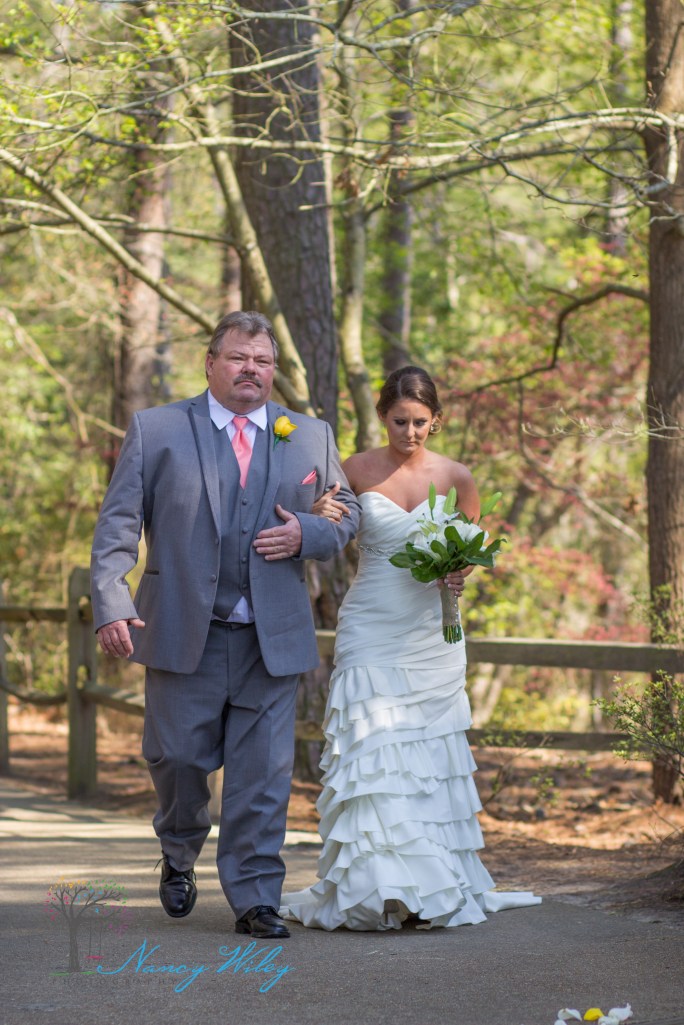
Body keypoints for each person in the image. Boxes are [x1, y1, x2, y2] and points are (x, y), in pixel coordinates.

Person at [90, 310, 360, 939]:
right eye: (239, 358)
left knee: (263, 775)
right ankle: (178, 850)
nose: (251, 370)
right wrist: (112, 600)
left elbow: (345, 513)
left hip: (273, 635)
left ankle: (256, 897)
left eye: (262, 362)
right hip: (185, 628)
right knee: (179, 757)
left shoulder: (308, 435)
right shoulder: (157, 429)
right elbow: (118, 526)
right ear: (210, 363)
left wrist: (306, 532)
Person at [281, 365, 540, 930]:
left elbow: (474, 547)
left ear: (437, 420)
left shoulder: (457, 476)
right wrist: (320, 513)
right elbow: (330, 525)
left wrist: (459, 573)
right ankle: (376, 891)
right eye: (399, 421)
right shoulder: (353, 469)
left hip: (432, 632)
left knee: (427, 757)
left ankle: (429, 887)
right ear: (382, 416)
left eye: (421, 422)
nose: (411, 432)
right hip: (372, 622)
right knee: (374, 751)